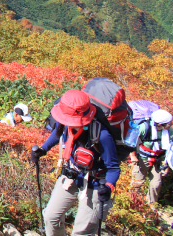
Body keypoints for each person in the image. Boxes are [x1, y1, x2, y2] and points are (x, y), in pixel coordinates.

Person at [30, 90, 119, 236]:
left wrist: (108, 187)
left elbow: (114, 168)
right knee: (51, 217)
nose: (65, 122)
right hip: (71, 175)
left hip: (95, 182)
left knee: (81, 231)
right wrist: (43, 149)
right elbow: (56, 133)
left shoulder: (101, 135)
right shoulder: (65, 121)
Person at [131, 108, 173, 206]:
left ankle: (151, 205)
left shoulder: (169, 130)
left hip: (159, 160)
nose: (171, 125)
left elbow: (170, 148)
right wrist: (133, 156)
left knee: (156, 183)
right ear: (159, 125)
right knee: (137, 182)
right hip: (142, 159)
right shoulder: (144, 127)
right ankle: (134, 204)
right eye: (169, 123)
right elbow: (131, 141)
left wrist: (166, 165)